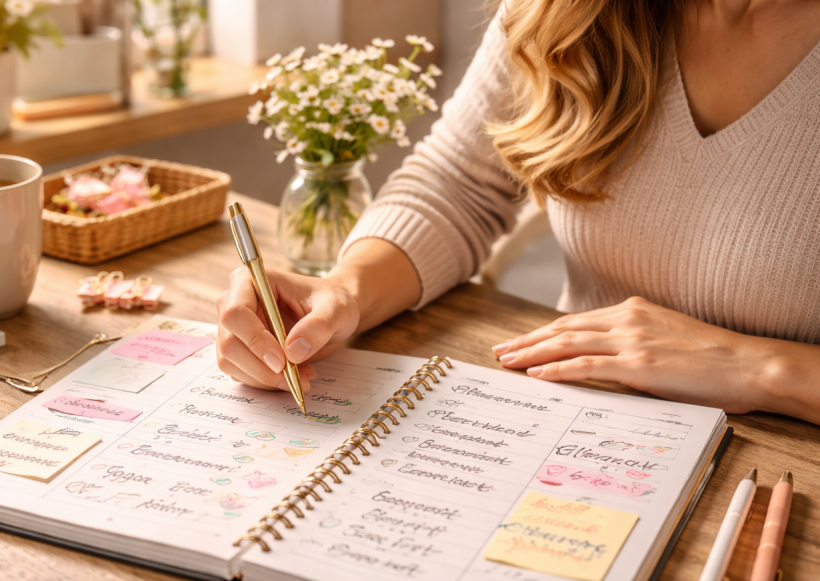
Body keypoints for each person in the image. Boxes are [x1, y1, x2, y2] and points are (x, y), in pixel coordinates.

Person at [215, 0, 820, 426]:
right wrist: (346, 292)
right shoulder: (572, 9)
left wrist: (760, 367)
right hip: (569, 420)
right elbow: (458, 183)